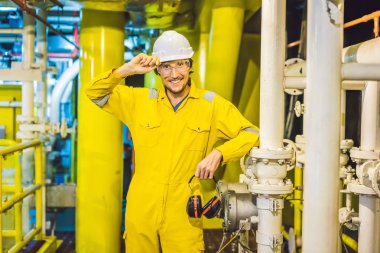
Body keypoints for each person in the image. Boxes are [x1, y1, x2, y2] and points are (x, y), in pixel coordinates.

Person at [86, 30, 259, 253]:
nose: (174, 74)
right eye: (166, 66)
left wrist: (220, 153)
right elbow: (94, 92)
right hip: (142, 204)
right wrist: (127, 70)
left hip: (183, 208)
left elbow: (252, 133)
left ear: (190, 65)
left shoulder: (211, 105)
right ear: (157, 69)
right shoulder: (139, 101)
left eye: (180, 65)